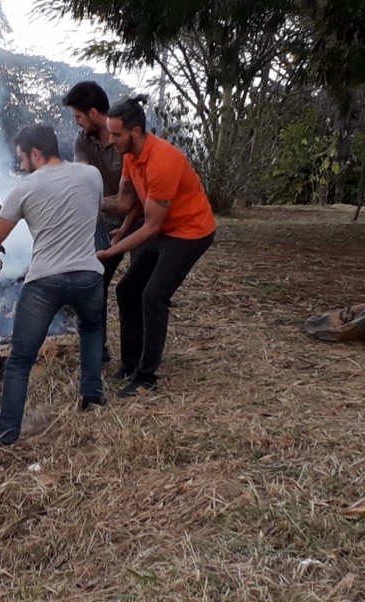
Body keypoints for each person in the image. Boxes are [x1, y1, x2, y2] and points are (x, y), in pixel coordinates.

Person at [0, 123, 106, 444]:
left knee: (19, 361)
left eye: (21, 159)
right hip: (90, 275)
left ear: (36, 153)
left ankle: (6, 435)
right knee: (91, 330)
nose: (20, 166)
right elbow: (91, 211)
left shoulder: (24, 190)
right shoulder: (92, 176)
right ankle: (92, 397)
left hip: (45, 281)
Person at [97, 95, 217, 398]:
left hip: (190, 231)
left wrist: (116, 249)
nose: (111, 140)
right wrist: (123, 228)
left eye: (116, 134)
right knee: (127, 290)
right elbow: (134, 200)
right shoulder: (130, 155)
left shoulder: (163, 161)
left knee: (153, 295)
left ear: (136, 132)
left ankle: (146, 378)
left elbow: (151, 226)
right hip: (164, 227)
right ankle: (130, 364)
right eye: (110, 133)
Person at [62, 81, 141, 363]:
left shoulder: (127, 138)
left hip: (141, 220)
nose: (77, 123)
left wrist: (91, 201)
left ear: (93, 113)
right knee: (95, 283)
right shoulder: (83, 140)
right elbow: (82, 181)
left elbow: (126, 202)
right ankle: (98, 352)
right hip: (103, 222)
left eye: (79, 117)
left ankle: (138, 358)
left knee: (137, 290)